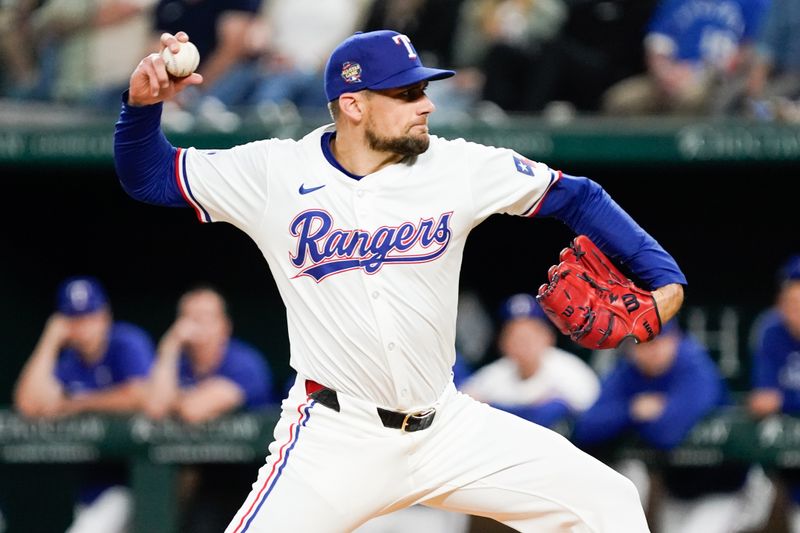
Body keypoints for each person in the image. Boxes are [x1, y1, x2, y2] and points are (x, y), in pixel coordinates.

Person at [113, 29, 686, 531]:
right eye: (407, 93)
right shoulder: (275, 172)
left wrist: (665, 279)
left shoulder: (455, 166)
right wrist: (142, 107)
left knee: (608, 502)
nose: (426, 105)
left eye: (424, 89)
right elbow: (150, 178)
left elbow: (577, 196)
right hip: (337, 437)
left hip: (447, 428)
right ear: (353, 105)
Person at [571, 321, 770, 533]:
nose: (651, 351)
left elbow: (666, 434)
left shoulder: (695, 366)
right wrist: (632, 410)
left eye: (658, 342)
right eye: (643, 344)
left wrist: (635, 420)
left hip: (731, 487)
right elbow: (585, 428)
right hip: (679, 491)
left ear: (674, 340)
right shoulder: (628, 373)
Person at [13, 275, 154, 533]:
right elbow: (28, 405)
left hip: (144, 480)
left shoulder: (125, 342)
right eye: (75, 319)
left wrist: (76, 404)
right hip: (95, 487)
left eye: (91, 316)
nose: (85, 326)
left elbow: (143, 396)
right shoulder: (70, 360)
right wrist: (50, 340)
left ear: (105, 314)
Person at [144, 285, 274, 533]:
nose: (197, 325)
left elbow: (194, 409)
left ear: (224, 325)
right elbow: (156, 408)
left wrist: (178, 398)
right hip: (209, 480)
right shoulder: (178, 364)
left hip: (259, 477)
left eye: (206, 317)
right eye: (190, 318)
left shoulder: (245, 361)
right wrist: (170, 345)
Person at [601, 0, 769, 116]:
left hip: (717, 79)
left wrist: (697, 73)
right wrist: (665, 73)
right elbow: (657, 44)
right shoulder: (676, 2)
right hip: (670, 76)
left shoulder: (752, 3)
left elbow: (750, 51)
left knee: (689, 97)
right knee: (619, 100)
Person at [461, 292, 600, 429]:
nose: (523, 343)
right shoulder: (492, 376)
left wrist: (492, 406)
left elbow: (589, 425)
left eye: (531, 334)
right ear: (502, 342)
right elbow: (462, 408)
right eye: (515, 336)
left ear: (549, 336)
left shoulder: (571, 371)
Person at [748, 254, 800, 530]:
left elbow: (776, 399)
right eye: (790, 303)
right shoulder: (771, 329)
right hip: (788, 465)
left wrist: (786, 399)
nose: (794, 311)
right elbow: (763, 399)